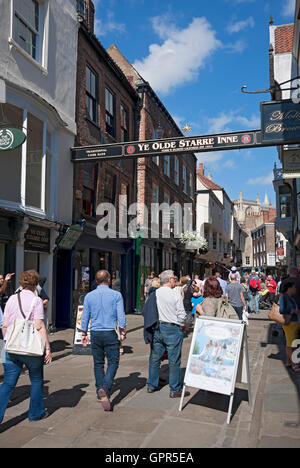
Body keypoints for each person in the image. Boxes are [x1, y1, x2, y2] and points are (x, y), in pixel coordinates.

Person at [0, 270, 52, 424]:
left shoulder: (11, 299)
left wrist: (7, 341)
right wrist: (47, 348)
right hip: (31, 348)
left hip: (10, 347)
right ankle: (35, 414)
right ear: (36, 284)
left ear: (21, 283)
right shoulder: (36, 301)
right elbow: (39, 326)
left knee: (8, 383)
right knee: (36, 380)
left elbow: (4, 325)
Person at [80, 270, 127, 411]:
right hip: (110, 332)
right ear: (108, 280)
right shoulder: (116, 295)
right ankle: (105, 388)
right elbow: (121, 315)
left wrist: (83, 333)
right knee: (113, 361)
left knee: (98, 363)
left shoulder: (89, 296)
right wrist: (123, 330)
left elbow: (85, 316)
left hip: (95, 333)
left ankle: (99, 391)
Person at [147, 270, 189, 398]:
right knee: (174, 360)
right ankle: (175, 389)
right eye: (174, 278)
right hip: (172, 328)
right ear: (170, 279)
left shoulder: (155, 293)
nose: (175, 280)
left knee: (155, 358)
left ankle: (151, 385)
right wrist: (182, 326)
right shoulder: (175, 294)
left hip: (158, 328)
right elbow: (182, 315)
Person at [279, 280, 300, 372]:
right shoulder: (285, 297)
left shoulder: (290, 297)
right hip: (290, 323)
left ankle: (288, 362)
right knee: (290, 344)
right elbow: (282, 309)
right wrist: (293, 310)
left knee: (290, 343)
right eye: (294, 287)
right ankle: (294, 364)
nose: (295, 289)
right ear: (290, 288)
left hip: (293, 323)